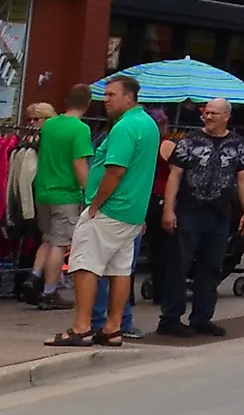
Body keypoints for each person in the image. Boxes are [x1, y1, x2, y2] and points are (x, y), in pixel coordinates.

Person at [48, 74, 154, 349]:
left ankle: (82, 327)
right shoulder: (148, 124)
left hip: (110, 209)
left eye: (111, 95)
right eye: (105, 95)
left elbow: (116, 170)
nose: (105, 100)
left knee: (84, 264)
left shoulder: (124, 127)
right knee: (119, 269)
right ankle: (113, 328)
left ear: (129, 97)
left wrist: (94, 204)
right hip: (132, 211)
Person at [156, 96, 244, 339]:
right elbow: (175, 176)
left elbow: (243, 178)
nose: (208, 117)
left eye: (213, 113)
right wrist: (169, 209)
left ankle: (202, 317)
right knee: (180, 264)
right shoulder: (190, 141)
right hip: (189, 210)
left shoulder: (238, 144)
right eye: (206, 113)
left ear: (227, 117)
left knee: (211, 267)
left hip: (220, 214)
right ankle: (170, 318)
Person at [30, 85, 93, 308]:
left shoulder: (50, 125)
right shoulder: (80, 129)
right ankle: (49, 292)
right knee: (59, 243)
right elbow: (79, 163)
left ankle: (34, 275)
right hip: (66, 193)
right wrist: (89, 191)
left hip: (43, 190)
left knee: (47, 237)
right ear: (88, 102)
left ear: (67, 100)